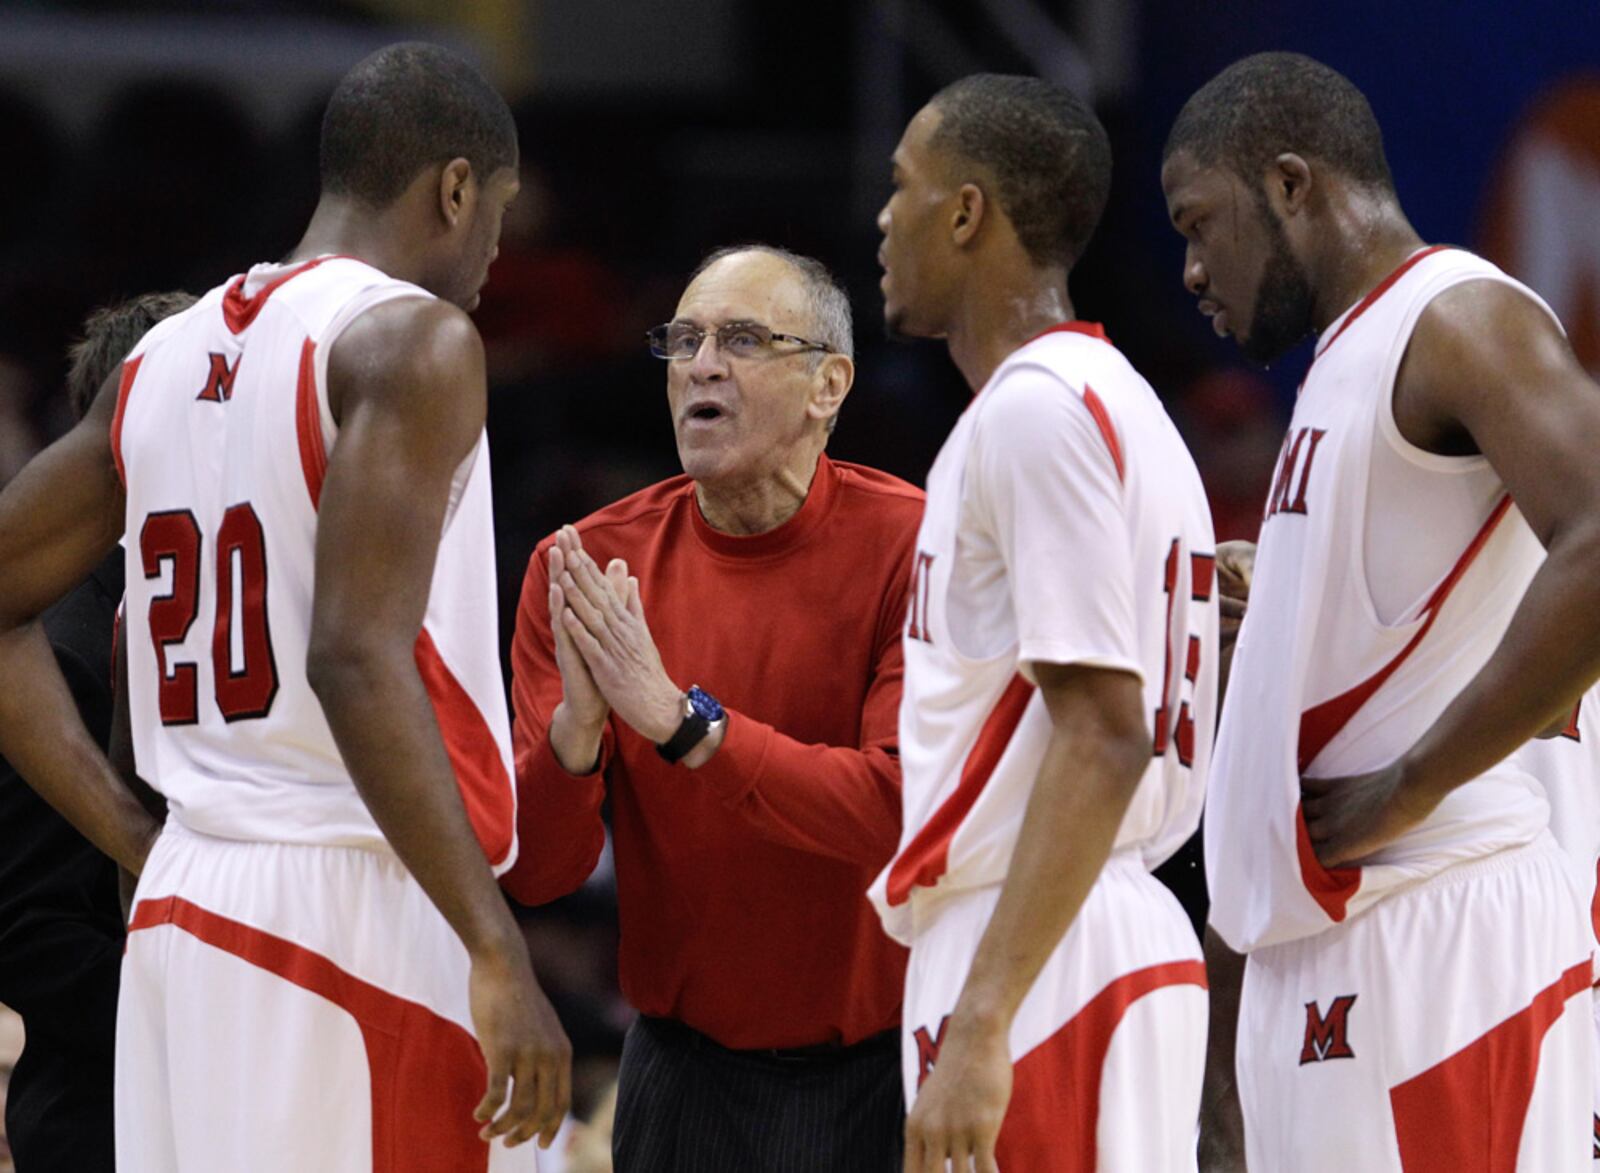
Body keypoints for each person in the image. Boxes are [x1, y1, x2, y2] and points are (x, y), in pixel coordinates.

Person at [0, 42, 570, 1170]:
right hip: (346, 901)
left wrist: (136, 834)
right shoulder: (413, 340)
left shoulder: (162, 356)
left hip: (184, 905)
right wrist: (496, 946)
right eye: (497, 215)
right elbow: (353, 657)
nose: (497, 250)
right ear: (455, 188)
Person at [1162, 51, 1600, 1171]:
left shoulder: (1458, 316)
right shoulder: (1345, 359)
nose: (1191, 269)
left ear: (1294, 185)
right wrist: (1287, 605)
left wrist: (1414, 782)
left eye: (1200, 223)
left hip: (1434, 931)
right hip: (1331, 947)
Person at [502, 243, 922, 1171]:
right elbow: (539, 874)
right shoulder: (585, 568)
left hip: (881, 1070)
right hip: (680, 1075)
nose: (700, 363)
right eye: (683, 339)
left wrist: (683, 725)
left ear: (829, 385)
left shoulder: (914, 549)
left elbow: (894, 811)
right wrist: (576, 736)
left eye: (739, 338)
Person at [872, 74, 1216, 1171]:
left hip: (1040, 953)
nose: (883, 219)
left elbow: (1104, 731)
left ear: (966, 212)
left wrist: (982, 1018)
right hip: (1079, 928)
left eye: (903, 187)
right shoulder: (1115, 405)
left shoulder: (1035, 413)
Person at [0, 291, 193, 1173]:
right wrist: (199, 1004)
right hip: (102, 1118)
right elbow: (25, 928)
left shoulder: (219, 603)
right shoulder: (62, 644)